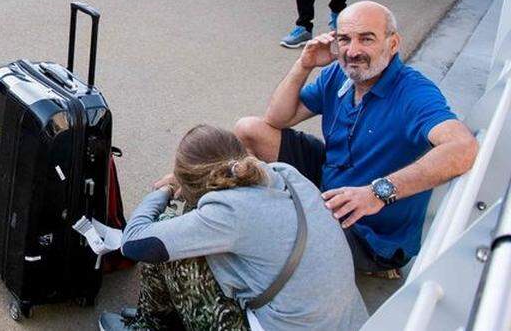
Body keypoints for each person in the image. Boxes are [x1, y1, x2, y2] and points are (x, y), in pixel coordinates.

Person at [235, 2, 478, 273]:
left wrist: (378, 192)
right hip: (332, 183)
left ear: (393, 43)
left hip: (370, 232)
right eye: (344, 39)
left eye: (366, 39)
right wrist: (303, 66)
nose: (353, 51)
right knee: (249, 129)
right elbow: (278, 118)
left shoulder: (414, 93)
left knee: (261, 236)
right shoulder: (338, 74)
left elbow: (462, 146)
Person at [98, 125, 368, 331]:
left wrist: (166, 190)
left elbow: (134, 242)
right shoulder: (283, 173)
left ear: (189, 182)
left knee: (174, 249)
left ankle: (151, 325)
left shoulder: (227, 212)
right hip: (344, 321)